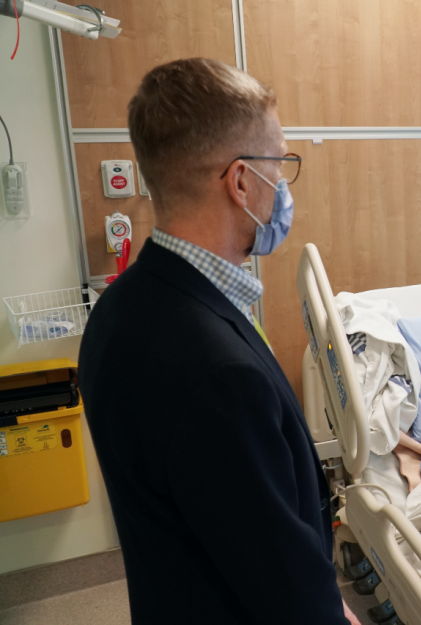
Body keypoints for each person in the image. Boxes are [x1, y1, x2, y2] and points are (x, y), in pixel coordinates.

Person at [79, 59, 359, 624]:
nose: (282, 186)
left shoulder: (121, 307)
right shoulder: (218, 374)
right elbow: (281, 590)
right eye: (279, 164)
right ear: (240, 181)